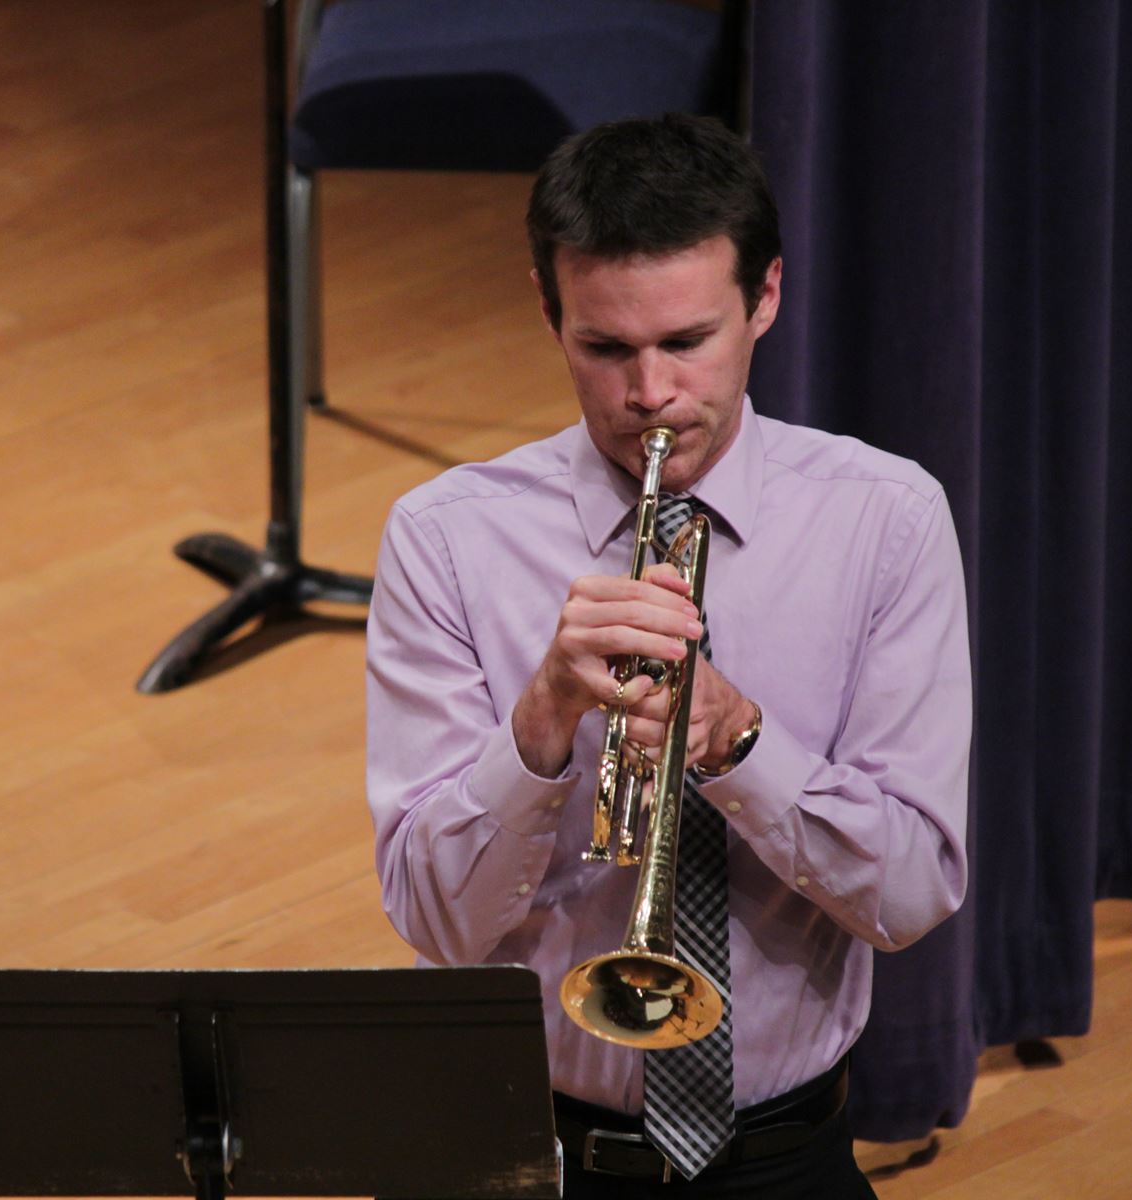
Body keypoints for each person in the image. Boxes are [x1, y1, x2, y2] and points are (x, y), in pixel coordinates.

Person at [365, 113, 971, 1199]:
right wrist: (541, 724)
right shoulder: (446, 539)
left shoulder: (887, 520)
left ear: (766, 297)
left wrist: (738, 741)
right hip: (513, 1139)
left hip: (779, 1153)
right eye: (605, 349)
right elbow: (436, 920)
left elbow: (913, 891)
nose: (649, 395)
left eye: (687, 342)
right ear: (550, 314)